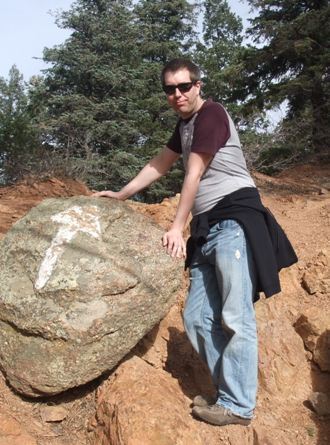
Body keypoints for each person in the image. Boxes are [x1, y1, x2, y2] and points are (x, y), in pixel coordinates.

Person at [93, 58, 297, 426]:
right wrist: (122, 194)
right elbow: (160, 163)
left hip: (235, 219)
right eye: (169, 89)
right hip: (208, 228)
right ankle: (229, 392)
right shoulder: (184, 125)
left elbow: (194, 173)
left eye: (184, 86)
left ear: (198, 86)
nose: (177, 94)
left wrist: (176, 226)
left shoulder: (212, 115)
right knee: (198, 318)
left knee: (235, 314)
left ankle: (238, 406)